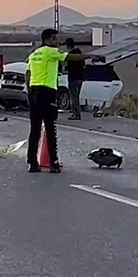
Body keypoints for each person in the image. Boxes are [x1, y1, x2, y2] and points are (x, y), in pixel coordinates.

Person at [25, 29, 103, 173]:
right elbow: (71, 57)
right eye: (54, 39)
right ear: (47, 40)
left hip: (34, 92)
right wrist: (91, 56)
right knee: (50, 128)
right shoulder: (50, 51)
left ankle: (32, 162)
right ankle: (54, 163)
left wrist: (30, 91)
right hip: (47, 92)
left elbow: (28, 74)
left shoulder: (34, 54)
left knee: (34, 130)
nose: (57, 42)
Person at [64, 38, 85, 120]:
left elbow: (69, 67)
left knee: (73, 97)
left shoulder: (70, 56)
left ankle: (75, 114)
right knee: (77, 96)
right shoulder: (79, 54)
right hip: (80, 77)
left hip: (73, 78)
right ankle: (77, 113)